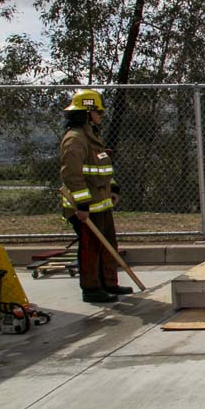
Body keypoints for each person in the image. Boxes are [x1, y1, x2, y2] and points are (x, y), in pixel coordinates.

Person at [59, 89, 130, 304]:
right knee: (91, 248)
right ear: (88, 112)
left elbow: (102, 171)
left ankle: (109, 283)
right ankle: (92, 289)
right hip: (85, 208)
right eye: (98, 111)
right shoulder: (75, 140)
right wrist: (81, 205)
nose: (101, 115)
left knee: (108, 244)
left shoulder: (92, 137)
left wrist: (113, 190)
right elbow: (72, 175)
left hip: (101, 203)